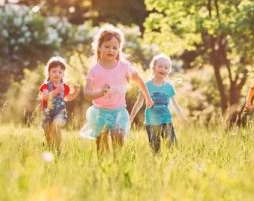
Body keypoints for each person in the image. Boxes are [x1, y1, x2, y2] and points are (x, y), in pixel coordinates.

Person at [80, 24, 153, 155]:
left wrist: (148, 97)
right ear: (99, 48)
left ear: (119, 49)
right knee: (101, 146)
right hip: (99, 113)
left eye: (115, 47)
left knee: (117, 137)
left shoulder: (124, 67)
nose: (111, 50)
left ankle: (117, 163)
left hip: (119, 112)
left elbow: (139, 80)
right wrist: (99, 92)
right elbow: (87, 93)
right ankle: (104, 168)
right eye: (107, 46)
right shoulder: (94, 70)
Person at [129, 53, 184, 153]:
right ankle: (157, 165)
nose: (163, 69)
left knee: (173, 147)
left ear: (169, 70)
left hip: (166, 121)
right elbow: (139, 102)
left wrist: (182, 117)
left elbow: (175, 104)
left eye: (166, 67)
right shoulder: (146, 86)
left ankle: (172, 165)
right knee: (155, 150)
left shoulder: (169, 87)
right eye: (160, 66)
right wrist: (131, 117)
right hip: (151, 122)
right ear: (153, 68)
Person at [39, 56, 80, 152]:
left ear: (63, 74)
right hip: (47, 114)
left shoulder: (64, 87)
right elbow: (45, 97)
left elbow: (67, 98)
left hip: (59, 113)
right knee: (48, 135)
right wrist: (56, 90)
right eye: (54, 71)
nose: (57, 74)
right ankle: (51, 149)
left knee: (56, 125)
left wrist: (76, 92)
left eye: (60, 72)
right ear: (49, 72)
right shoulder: (46, 86)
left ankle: (58, 149)